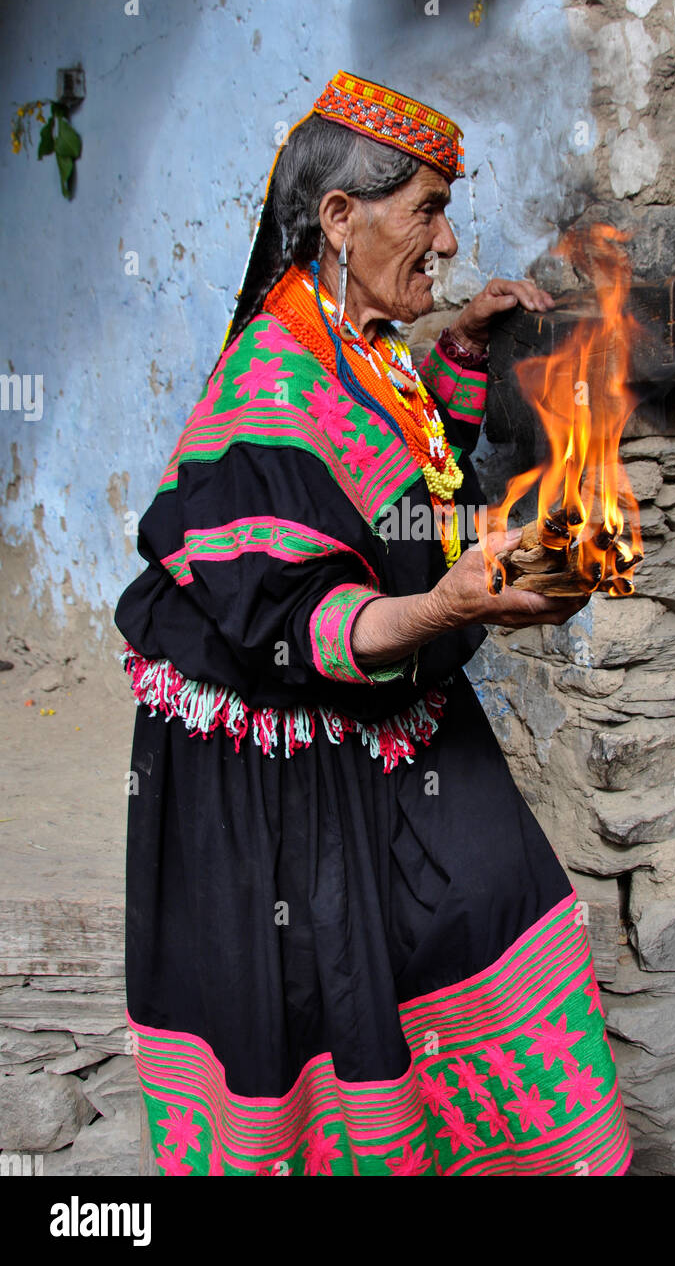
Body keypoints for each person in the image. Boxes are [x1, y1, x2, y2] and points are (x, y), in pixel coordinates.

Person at [115, 70, 632, 1176]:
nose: (445, 244)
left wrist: (456, 358)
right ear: (339, 218)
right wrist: (449, 602)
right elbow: (296, 617)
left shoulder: (358, 342)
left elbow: (388, 479)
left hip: (382, 720)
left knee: (495, 897)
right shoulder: (265, 383)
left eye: (444, 209)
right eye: (426, 211)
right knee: (330, 990)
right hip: (276, 764)